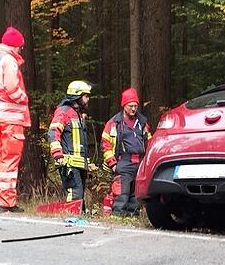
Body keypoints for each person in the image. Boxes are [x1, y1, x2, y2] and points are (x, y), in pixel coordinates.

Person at [0, 26, 30, 213]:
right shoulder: (9, 61)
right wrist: (23, 98)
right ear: (15, 45)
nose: (20, 50)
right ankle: (7, 202)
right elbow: (12, 88)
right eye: (20, 46)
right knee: (9, 160)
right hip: (11, 118)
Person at [101, 87, 151, 216]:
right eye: (130, 106)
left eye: (135, 106)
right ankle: (118, 215)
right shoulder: (114, 123)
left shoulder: (142, 123)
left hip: (140, 162)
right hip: (123, 161)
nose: (133, 109)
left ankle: (132, 216)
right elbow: (105, 144)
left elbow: (149, 143)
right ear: (124, 105)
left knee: (136, 193)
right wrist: (113, 164)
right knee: (122, 193)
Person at [48, 80, 93, 207]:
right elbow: (53, 132)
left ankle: (79, 217)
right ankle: (71, 219)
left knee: (80, 195)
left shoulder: (77, 114)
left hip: (79, 163)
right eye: (86, 96)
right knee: (75, 194)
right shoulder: (64, 112)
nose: (88, 99)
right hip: (68, 162)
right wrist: (57, 154)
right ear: (77, 96)